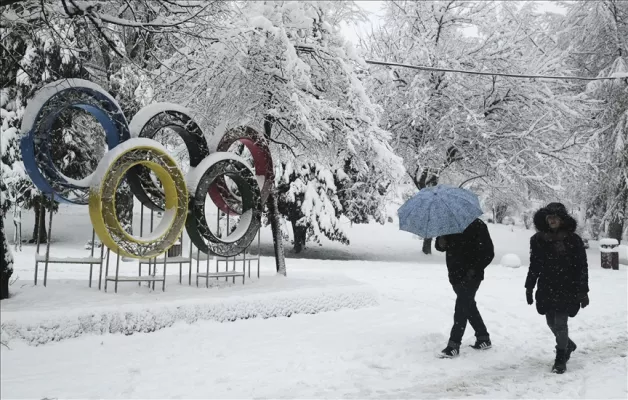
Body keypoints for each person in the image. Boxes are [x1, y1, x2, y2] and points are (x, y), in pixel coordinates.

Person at [526, 202, 589, 374]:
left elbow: (581, 266)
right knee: (551, 322)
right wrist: (529, 287)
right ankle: (568, 344)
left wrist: (583, 291)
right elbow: (534, 265)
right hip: (546, 286)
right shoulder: (538, 239)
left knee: (560, 323)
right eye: (549, 217)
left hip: (567, 286)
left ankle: (561, 357)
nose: (552, 220)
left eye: (555, 217)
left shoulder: (573, 240)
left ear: (562, 219)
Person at [435, 218, 495, 358]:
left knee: (461, 307)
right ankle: (483, 338)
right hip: (455, 274)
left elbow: (489, 252)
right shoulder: (447, 224)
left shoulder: (478, 225)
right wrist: (440, 243)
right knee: (468, 306)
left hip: (471, 276)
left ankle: (454, 345)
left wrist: (474, 269)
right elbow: (440, 246)